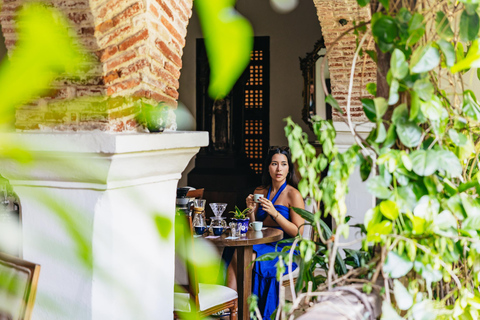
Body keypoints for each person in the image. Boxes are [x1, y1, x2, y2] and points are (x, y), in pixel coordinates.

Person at [225, 146, 305, 319]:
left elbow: (298, 232)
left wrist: (275, 213)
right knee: (234, 250)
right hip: (262, 242)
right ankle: (230, 308)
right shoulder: (259, 191)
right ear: (268, 167)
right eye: (274, 164)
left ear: (288, 168)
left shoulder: (293, 194)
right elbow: (255, 228)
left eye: (283, 164)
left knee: (249, 256)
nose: (279, 169)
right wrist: (250, 210)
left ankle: (245, 311)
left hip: (285, 247)